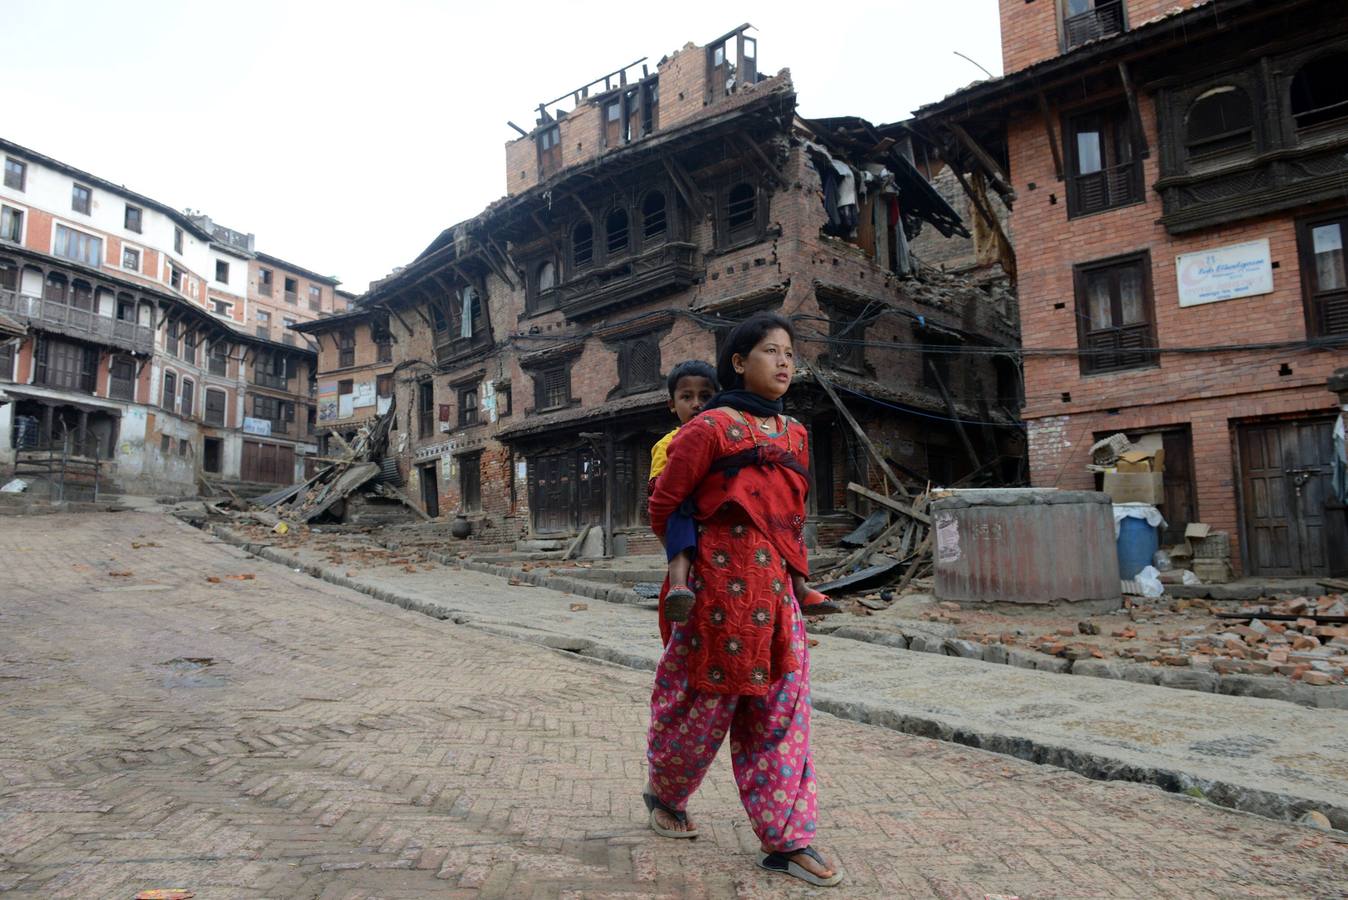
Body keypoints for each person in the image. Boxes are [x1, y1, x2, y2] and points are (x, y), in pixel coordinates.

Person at [642, 313, 842, 887]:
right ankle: (666, 795)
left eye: (789, 353)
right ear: (739, 361)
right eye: (770, 352)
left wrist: (797, 577)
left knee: (781, 716)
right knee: (696, 716)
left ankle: (787, 839)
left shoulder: (797, 434)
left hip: (777, 599)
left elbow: (795, 513)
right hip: (713, 597)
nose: (784, 362)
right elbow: (666, 504)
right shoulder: (708, 428)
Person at [649, 361, 719, 623]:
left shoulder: (727, 438)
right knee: (679, 513)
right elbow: (660, 489)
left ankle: (799, 585)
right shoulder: (666, 444)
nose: (697, 404)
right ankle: (679, 583)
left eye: (706, 396)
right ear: (672, 404)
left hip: (720, 511)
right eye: (686, 397)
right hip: (687, 512)